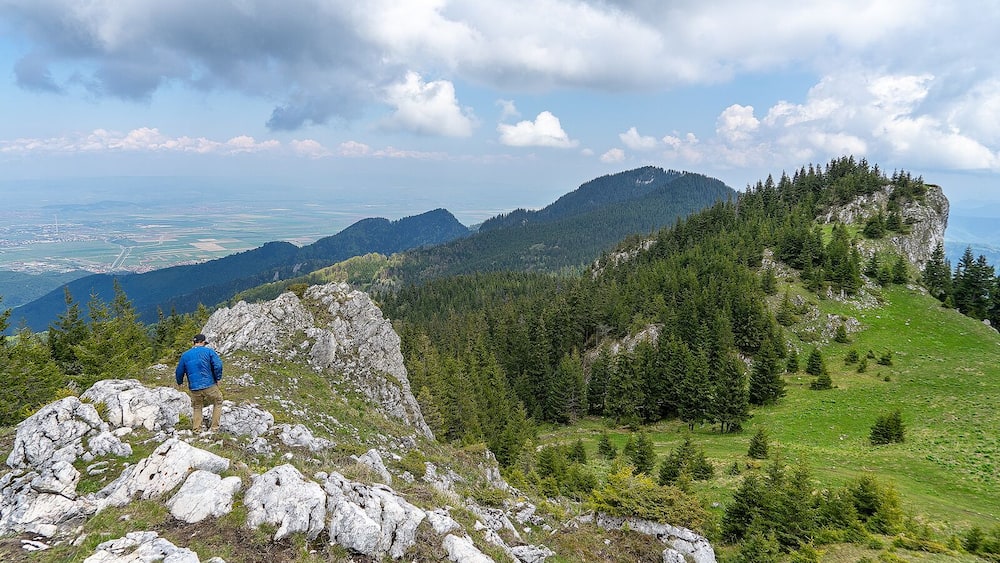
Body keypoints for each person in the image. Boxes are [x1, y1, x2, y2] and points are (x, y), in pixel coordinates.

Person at [175, 333, 224, 432]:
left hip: (194, 387)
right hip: (209, 384)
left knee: (197, 407)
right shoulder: (209, 352)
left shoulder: (185, 355)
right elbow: (218, 365)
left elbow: (179, 371)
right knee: (218, 401)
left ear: (194, 342)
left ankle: (197, 430)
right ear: (202, 342)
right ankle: (214, 429)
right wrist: (218, 378)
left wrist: (179, 382)